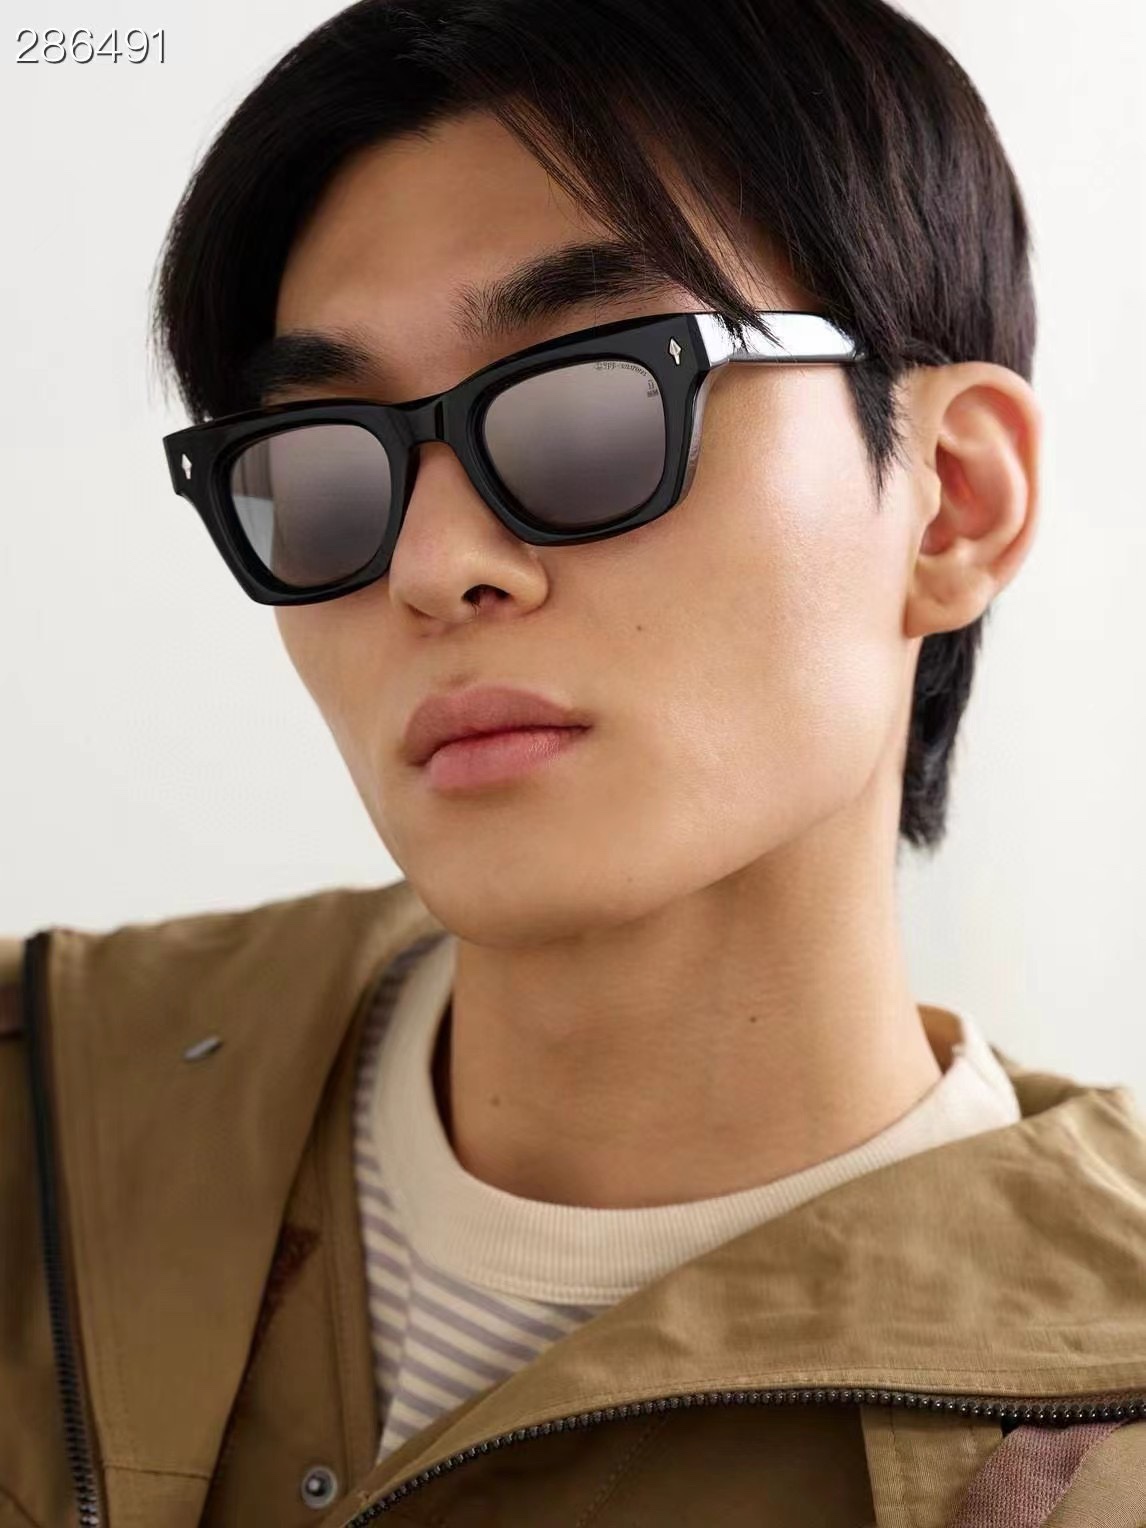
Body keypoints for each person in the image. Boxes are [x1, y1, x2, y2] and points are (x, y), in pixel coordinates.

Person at [3, 0, 1145, 1523]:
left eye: (592, 409)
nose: (433, 565)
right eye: (322, 467)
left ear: (951, 499)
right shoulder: (38, 1111)